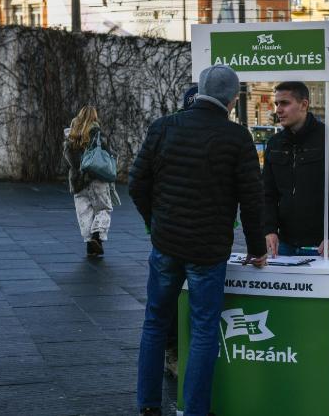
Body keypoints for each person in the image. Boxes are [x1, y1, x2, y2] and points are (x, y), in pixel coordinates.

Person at [129, 65, 267, 416]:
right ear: (233, 100)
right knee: (205, 329)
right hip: (208, 250)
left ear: (198, 90)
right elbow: (252, 201)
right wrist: (256, 250)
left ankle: (147, 404)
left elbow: (136, 184)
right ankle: (194, 410)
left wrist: (155, 223)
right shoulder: (237, 138)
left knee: (155, 321)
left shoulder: (163, 127)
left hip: (166, 244)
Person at [263, 81, 329, 408]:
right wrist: (268, 229)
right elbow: (267, 194)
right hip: (285, 245)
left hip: (321, 246)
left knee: (325, 319)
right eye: (277, 104)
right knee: (288, 317)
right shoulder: (275, 144)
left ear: (304, 104)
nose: (278, 110)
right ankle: (296, 375)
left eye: (285, 103)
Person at [164, 84, 199, 380]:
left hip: (176, 233)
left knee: (171, 301)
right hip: (181, 235)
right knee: (178, 300)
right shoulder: (171, 133)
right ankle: (174, 353)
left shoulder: (167, 130)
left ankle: (175, 353)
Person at [62, 106, 121, 258]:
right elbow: (109, 154)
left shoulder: (71, 136)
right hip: (97, 178)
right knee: (103, 208)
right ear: (94, 117)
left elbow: (69, 161)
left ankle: (91, 245)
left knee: (85, 213)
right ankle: (97, 235)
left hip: (78, 181)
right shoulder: (97, 134)